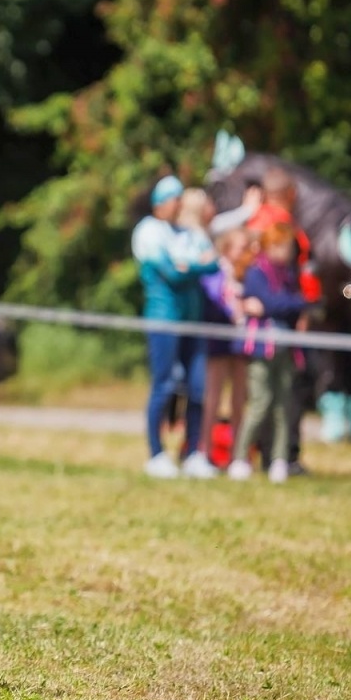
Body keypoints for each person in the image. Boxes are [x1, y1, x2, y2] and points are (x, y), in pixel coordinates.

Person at [133, 175, 219, 479]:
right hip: (164, 319)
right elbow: (172, 274)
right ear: (161, 202)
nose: (179, 205)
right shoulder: (147, 231)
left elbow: (213, 264)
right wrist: (193, 265)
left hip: (192, 320)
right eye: (174, 199)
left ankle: (193, 452)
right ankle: (156, 453)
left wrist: (189, 265)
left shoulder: (186, 232)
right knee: (164, 386)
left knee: (197, 388)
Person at [231, 224, 309, 483]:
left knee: (282, 407)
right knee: (259, 403)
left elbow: (285, 304)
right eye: (283, 246)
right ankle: (240, 457)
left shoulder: (288, 274)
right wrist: (293, 304)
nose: (287, 252)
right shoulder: (256, 273)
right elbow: (275, 303)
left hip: (285, 349)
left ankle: (278, 459)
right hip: (261, 349)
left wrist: (288, 305)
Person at [198, 229, 253, 467]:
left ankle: (238, 454)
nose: (245, 253)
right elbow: (213, 298)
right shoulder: (216, 271)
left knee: (240, 399)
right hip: (218, 340)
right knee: (212, 397)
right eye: (241, 248)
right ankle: (203, 450)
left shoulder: (248, 274)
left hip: (241, 342)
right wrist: (235, 310)